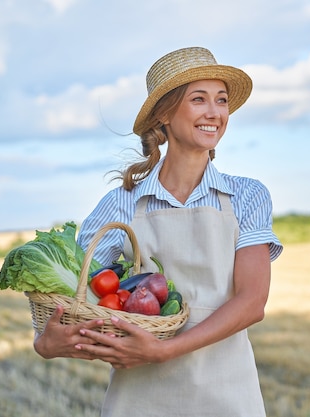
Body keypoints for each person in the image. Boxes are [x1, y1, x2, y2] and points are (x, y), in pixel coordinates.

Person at [32, 46, 283, 417]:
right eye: (199, 99)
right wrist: (46, 342)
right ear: (164, 114)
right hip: (140, 399)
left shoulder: (246, 196)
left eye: (221, 100)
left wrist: (163, 350)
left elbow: (252, 303)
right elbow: (74, 289)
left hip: (228, 395)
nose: (214, 113)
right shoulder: (123, 204)